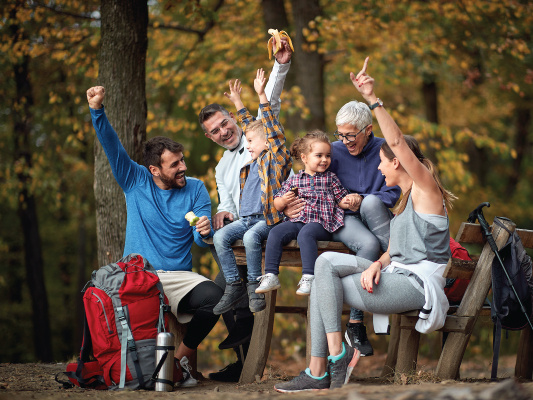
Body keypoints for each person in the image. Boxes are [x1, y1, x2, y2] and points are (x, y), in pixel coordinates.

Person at [274, 57, 456, 392]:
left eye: (384, 163)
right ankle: (332, 356)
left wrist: (373, 98)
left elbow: (397, 142)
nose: (379, 170)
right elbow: (398, 249)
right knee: (324, 264)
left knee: (322, 290)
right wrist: (378, 262)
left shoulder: (426, 192)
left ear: (398, 162)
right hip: (392, 271)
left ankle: (322, 368)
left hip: (416, 283)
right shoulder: (402, 205)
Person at [87, 86, 223, 387]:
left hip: (177, 276)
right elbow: (112, 147)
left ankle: (178, 362)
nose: (183, 167)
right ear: (154, 170)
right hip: (139, 275)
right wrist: (97, 110)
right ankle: (131, 367)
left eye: (183, 160)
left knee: (215, 297)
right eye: (175, 164)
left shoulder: (196, 189)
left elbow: (202, 241)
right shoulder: (135, 180)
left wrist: (205, 231)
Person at [199, 37, 292, 382]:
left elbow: (272, 103)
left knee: (227, 284)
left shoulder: (262, 141)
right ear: (210, 137)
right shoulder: (224, 167)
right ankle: (243, 361)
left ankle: (245, 358)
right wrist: (223, 212)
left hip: (273, 223)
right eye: (215, 131)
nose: (224, 132)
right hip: (245, 227)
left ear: (233, 120)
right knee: (223, 285)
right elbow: (226, 199)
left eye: (225, 123)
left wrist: (279, 66)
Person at [212, 69, 292, 315]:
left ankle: (254, 285)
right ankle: (234, 284)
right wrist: (237, 101)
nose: (247, 147)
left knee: (249, 239)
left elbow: (269, 129)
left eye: (251, 144)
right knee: (219, 238)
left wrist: (261, 96)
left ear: (268, 142)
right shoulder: (254, 157)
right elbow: (251, 127)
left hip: (268, 220)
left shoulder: (276, 158)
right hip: (246, 219)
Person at [330, 100, 401, 356]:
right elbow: (317, 183)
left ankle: (395, 274)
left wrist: (362, 199)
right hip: (343, 219)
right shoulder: (333, 151)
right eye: (341, 135)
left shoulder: (384, 149)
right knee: (370, 245)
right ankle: (356, 322)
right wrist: (340, 200)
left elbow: (395, 191)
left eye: (351, 135)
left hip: (375, 216)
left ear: (368, 129)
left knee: (371, 202)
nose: (345, 141)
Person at [255, 131, 356, 296]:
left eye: (328, 155)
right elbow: (278, 202)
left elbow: (340, 199)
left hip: (321, 223)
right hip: (298, 220)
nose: (325, 159)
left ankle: (309, 276)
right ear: (304, 158)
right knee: (276, 232)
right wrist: (283, 201)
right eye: (319, 155)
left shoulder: (331, 178)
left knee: (306, 234)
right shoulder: (295, 179)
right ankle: (271, 274)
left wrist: (349, 201)